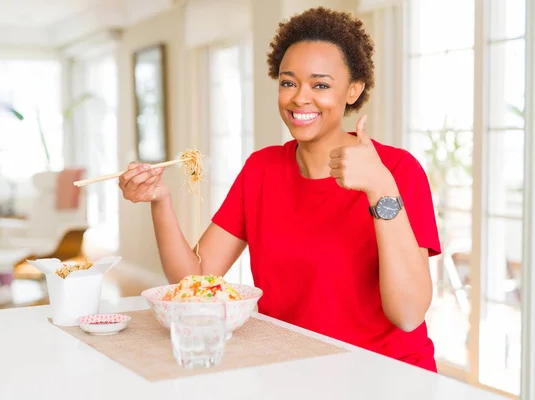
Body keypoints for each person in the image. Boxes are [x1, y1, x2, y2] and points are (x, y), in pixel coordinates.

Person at [119, 7, 441, 372]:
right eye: (288, 82)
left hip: (385, 376)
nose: (300, 98)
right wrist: (160, 200)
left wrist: (381, 189)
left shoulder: (397, 171)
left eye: (320, 85)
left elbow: (409, 314)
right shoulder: (262, 169)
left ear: (354, 90)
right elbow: (193, 284)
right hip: (291, 369)